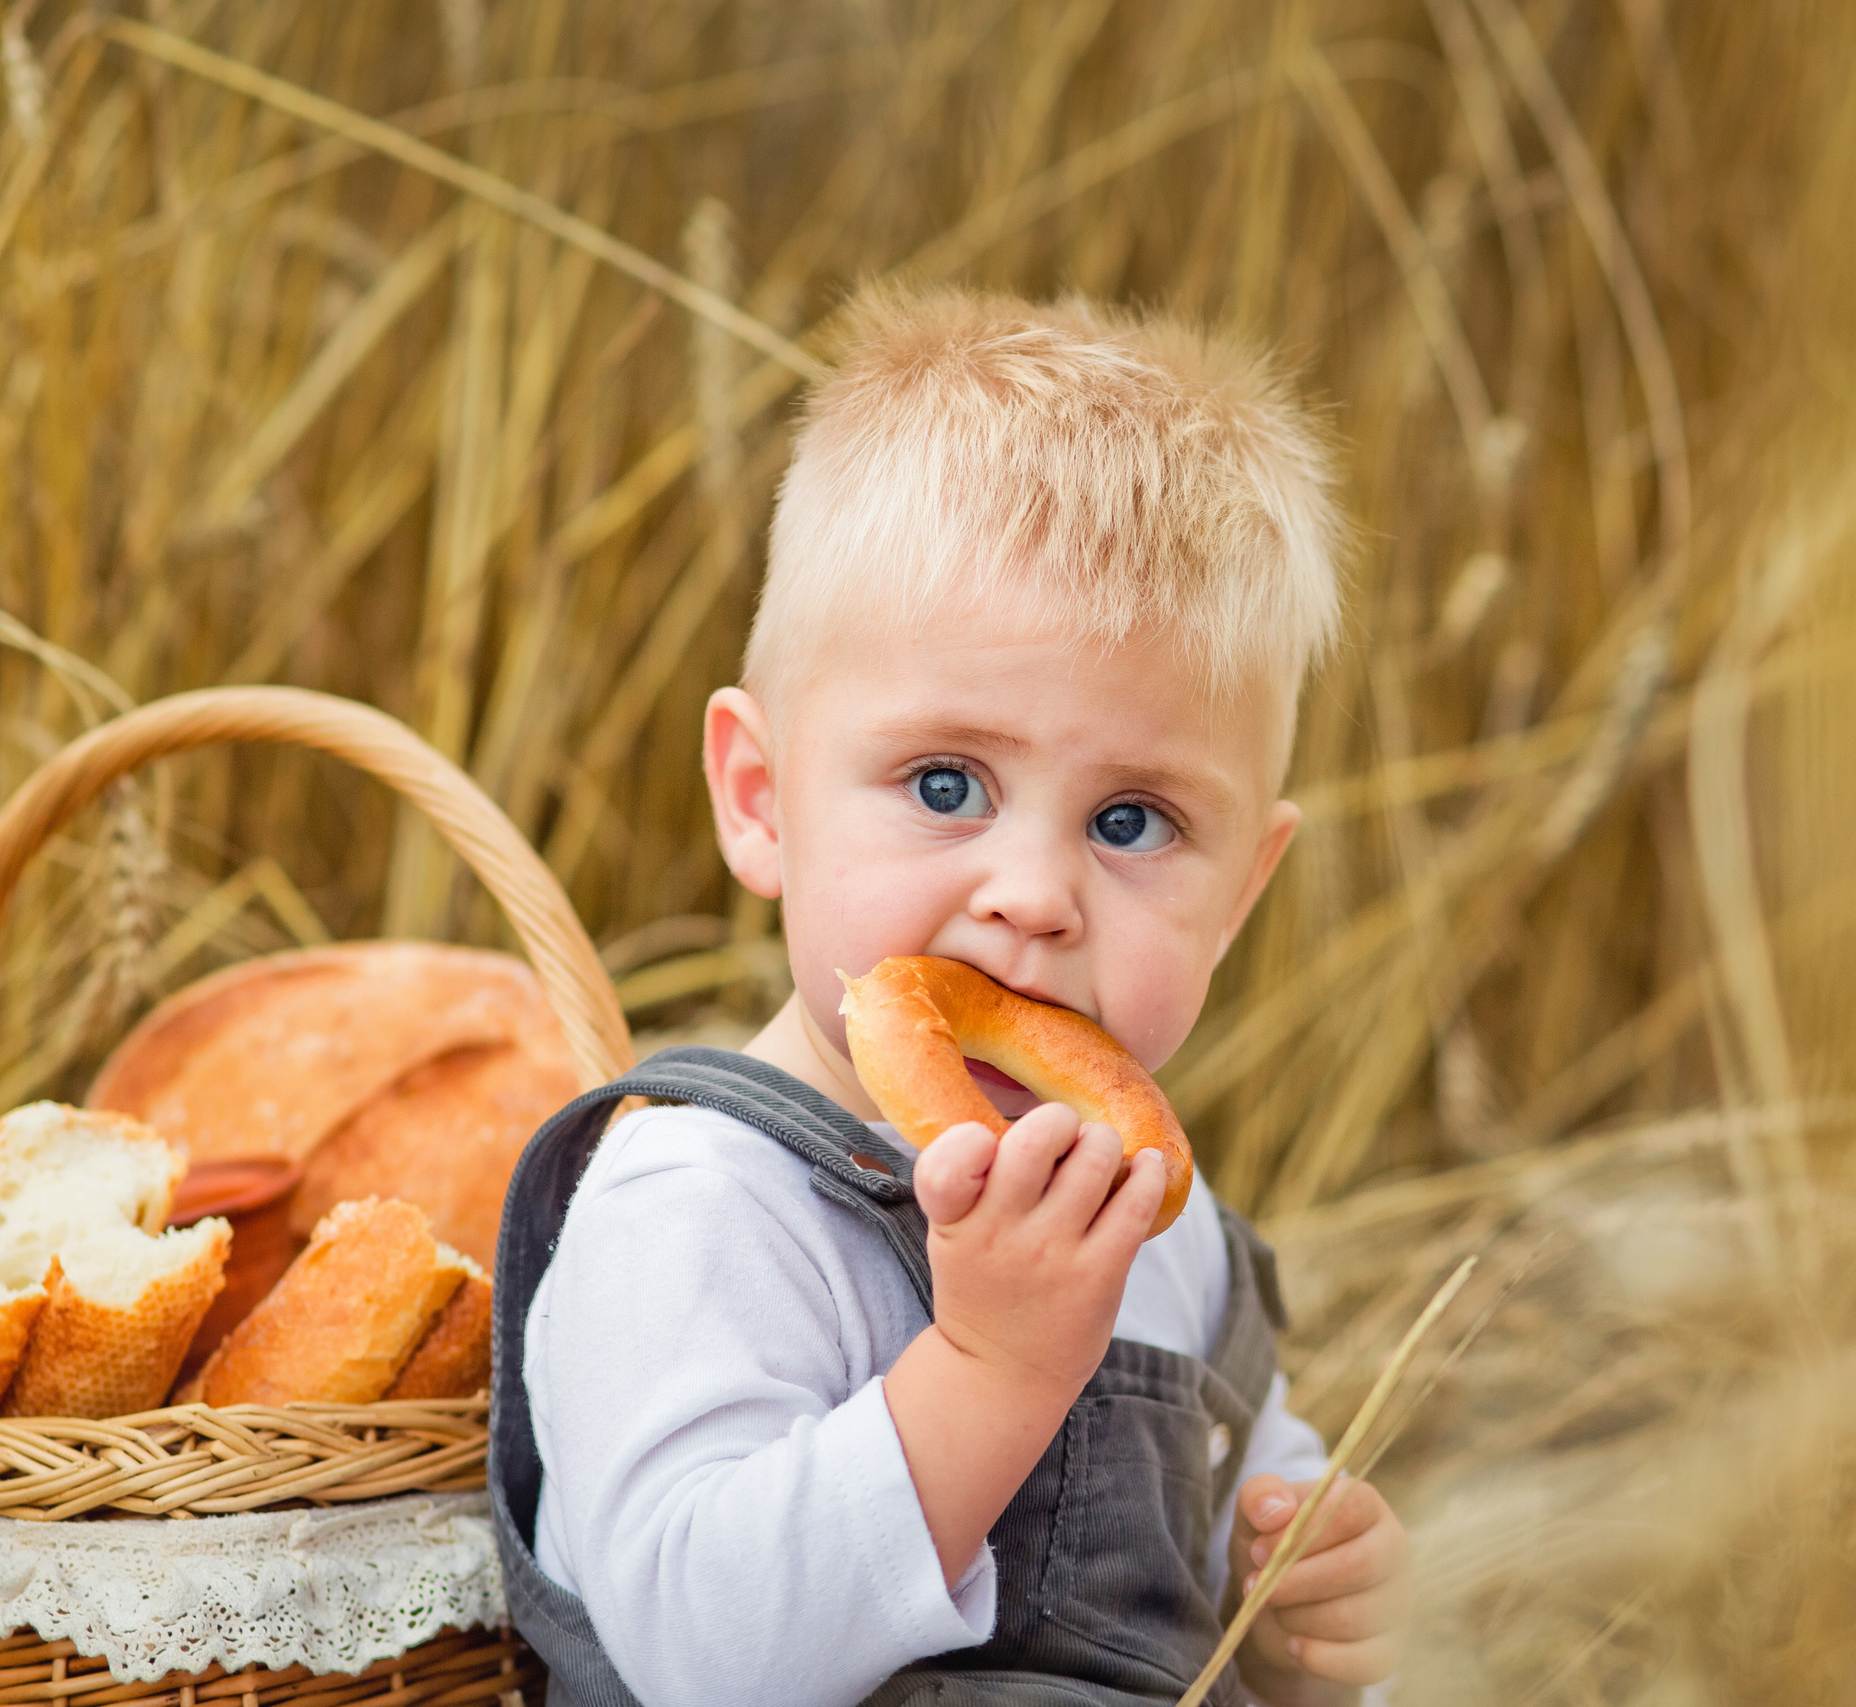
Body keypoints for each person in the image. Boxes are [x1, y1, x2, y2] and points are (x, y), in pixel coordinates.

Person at [490, 285, 1410, 1705]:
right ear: (761, 798)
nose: (1034, 894)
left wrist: (1295, 1588)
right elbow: (700, 1655)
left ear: (1241, 890)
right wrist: (990, 1368)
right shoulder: (700, 1207)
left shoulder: (1158, 1232)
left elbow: (1227, 1503)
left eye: (1132, 822)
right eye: (945, 787)